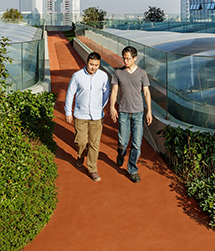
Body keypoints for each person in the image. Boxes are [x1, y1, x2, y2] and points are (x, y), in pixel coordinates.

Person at [64, 52, 110, 182]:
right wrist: (68, 112)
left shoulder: (103, 76)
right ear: (87, 62)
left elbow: (106, 93)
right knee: (81, 142)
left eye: (96, 65)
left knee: (94, 144)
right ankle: (80, 154)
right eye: (91, 64)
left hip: (97, 116)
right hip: (80, 115)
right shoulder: (77, 76)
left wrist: (100, 107)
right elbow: (70, 94)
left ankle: (92, 169)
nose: (93, 67)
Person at [109, 46, 152, 183]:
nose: (125, 61)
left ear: (135, 58)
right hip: (123, 112)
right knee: (123, 142)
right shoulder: (118, 73)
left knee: (136, 144)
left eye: (128, 58)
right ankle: (121, 153)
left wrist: (149, 111)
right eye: (124, 58)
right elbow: (114, 92)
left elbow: (146, 93)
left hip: (138, 113)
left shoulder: (142, 73)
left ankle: (132, 170)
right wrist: (112, 107)